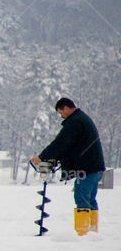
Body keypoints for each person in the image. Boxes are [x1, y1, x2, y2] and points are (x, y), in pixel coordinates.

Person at [30, 98, 105, 236]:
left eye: (60, 112)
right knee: (90, 199)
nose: (61, 116)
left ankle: (83, 233)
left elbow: (61, 143)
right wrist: (55, 158)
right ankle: (92, 232)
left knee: (81, 197)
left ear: (65, 108)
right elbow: (69, 146)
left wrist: (42, 157)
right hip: (95, 167)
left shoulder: (75, 122)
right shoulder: (81, 119)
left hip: (88, 168)